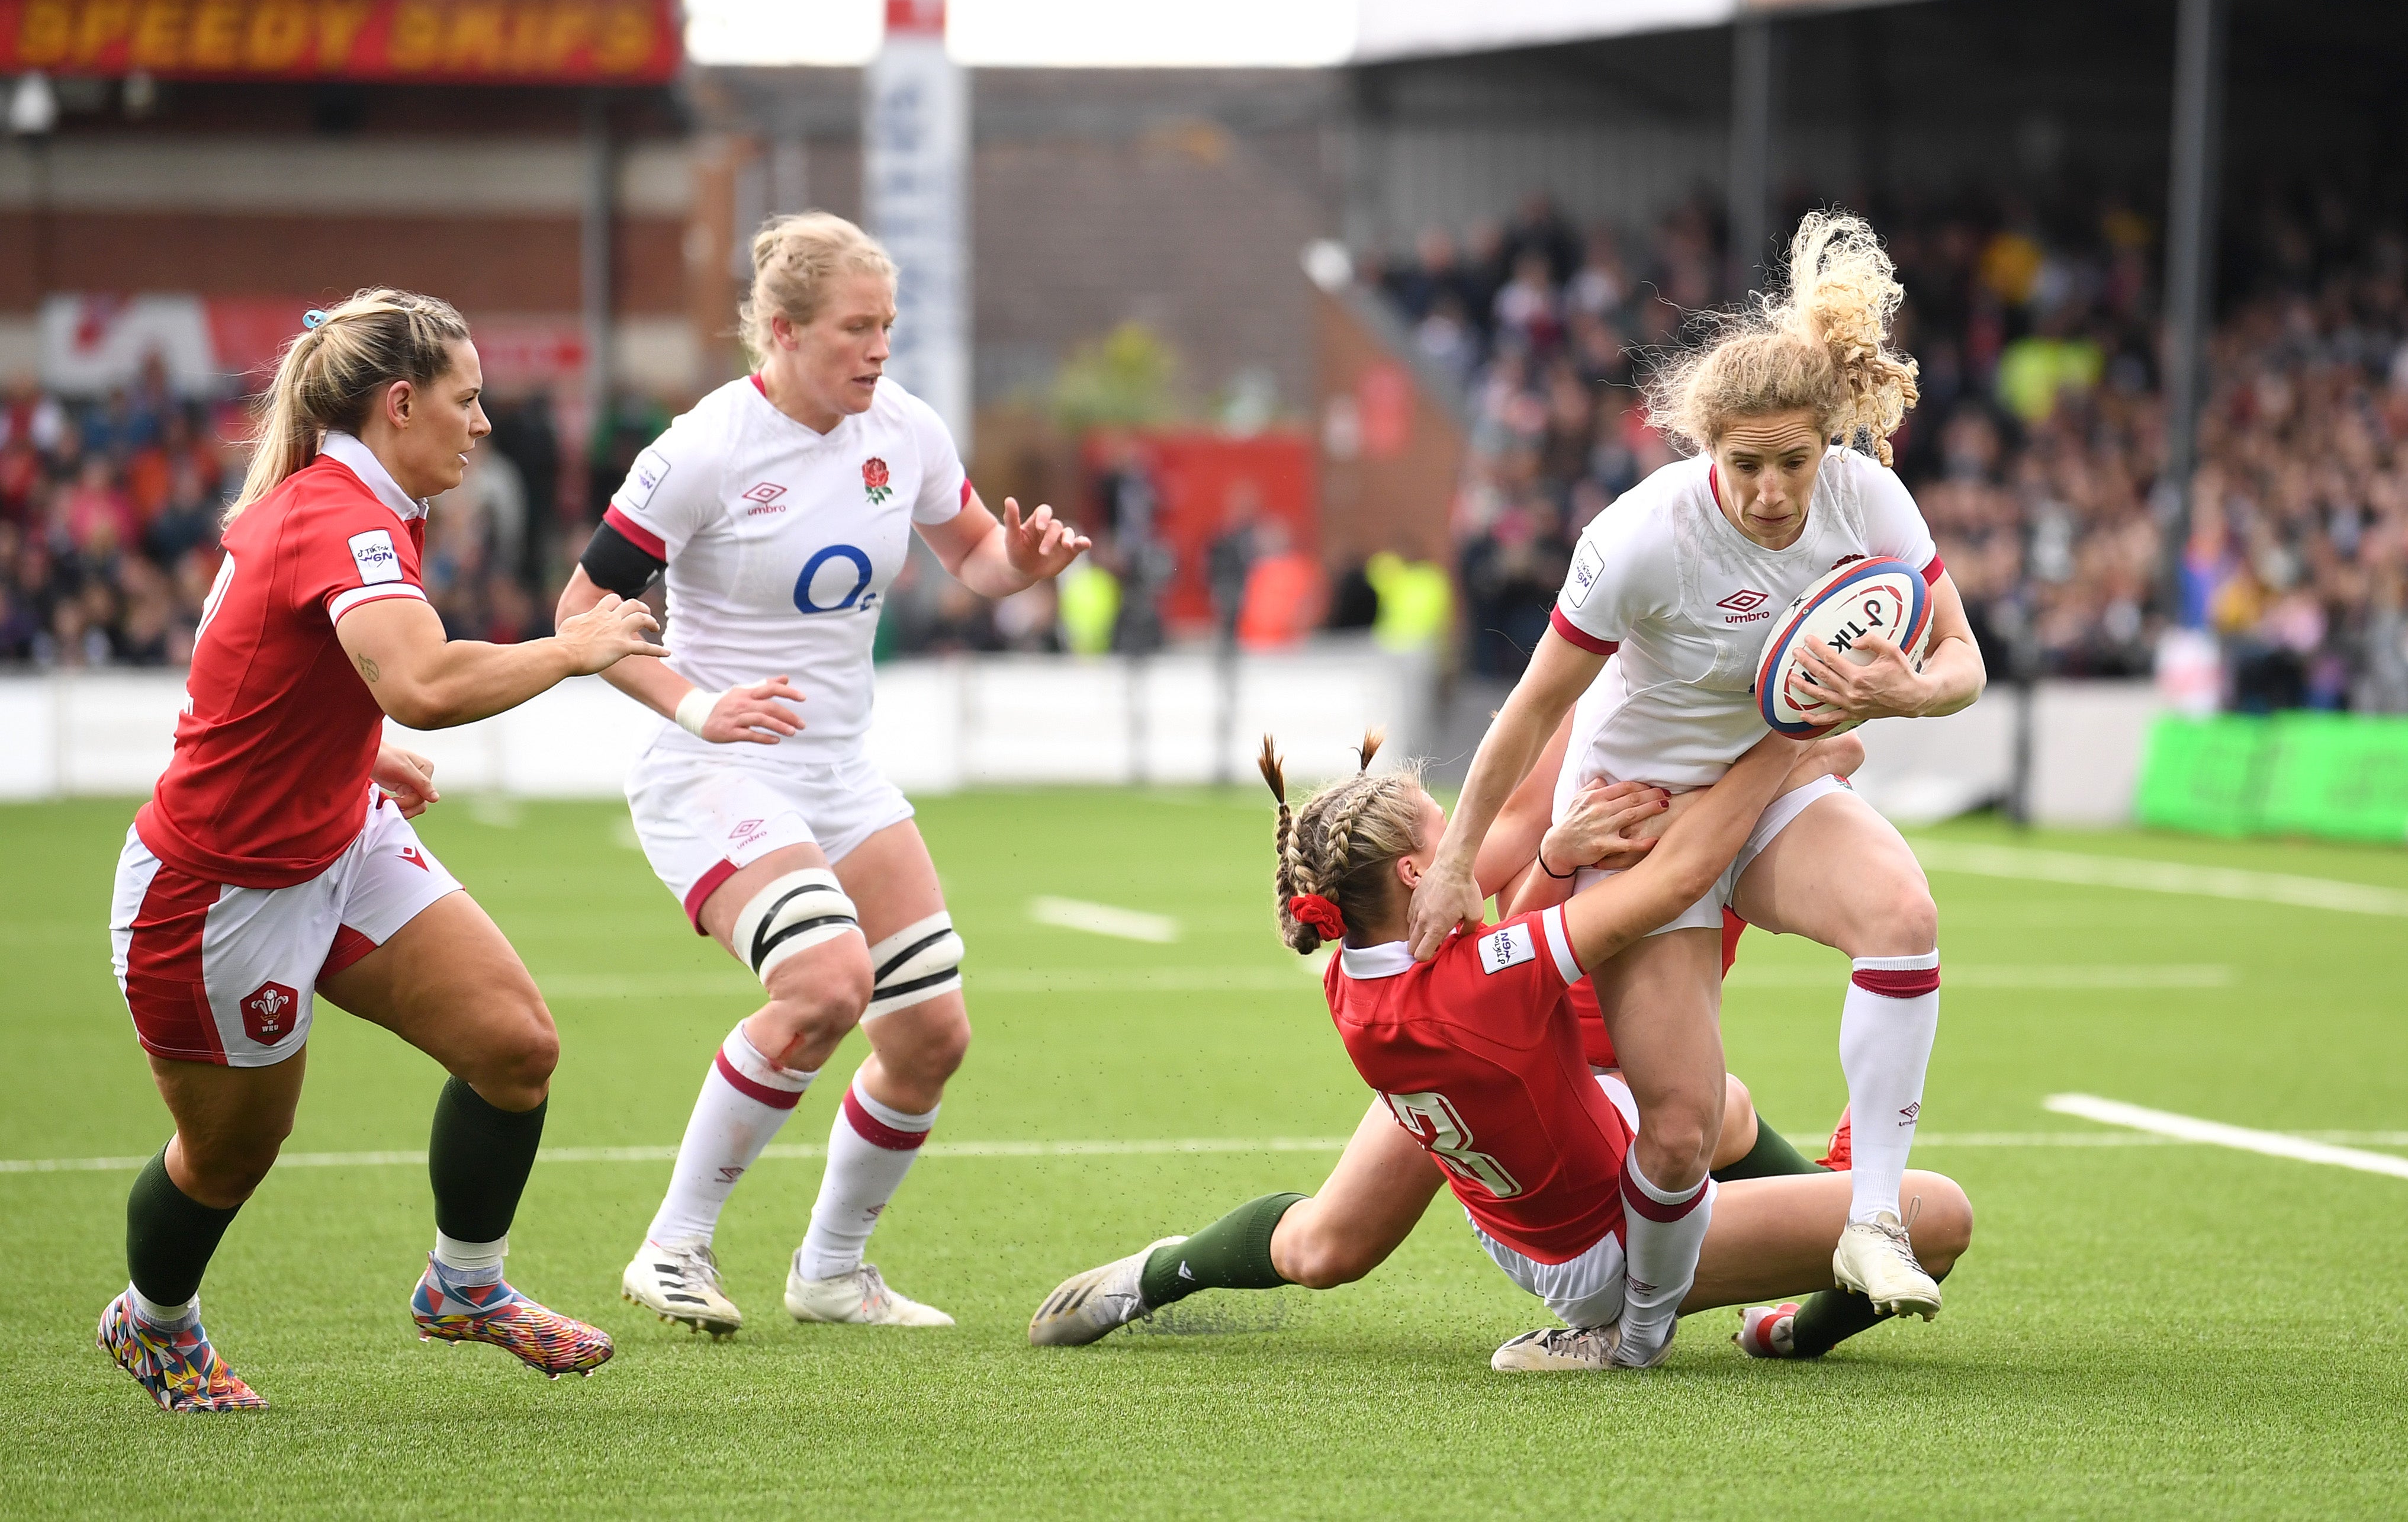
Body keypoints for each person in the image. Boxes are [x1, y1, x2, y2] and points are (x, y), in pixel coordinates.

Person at [1404, 211, 1986, 1363]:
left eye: (1795, 463)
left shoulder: (1871, 505)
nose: (1773, 492)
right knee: (1675, 1132)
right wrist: (1461, 864)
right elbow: (1526, 712)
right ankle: (1629, 1333)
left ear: (1830, 442)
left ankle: (1870, 1215)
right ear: (1703, 449)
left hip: (1768, 790)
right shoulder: (1640, 541)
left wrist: (1906, 694)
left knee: (1903, 915)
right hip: (1644, 815)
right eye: (1746, 466)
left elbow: (1961, 658)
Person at [99, 290, 667, 1412]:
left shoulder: (366, 500)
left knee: (513, 1047)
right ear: (401, 404)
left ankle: (466, 1287)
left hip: (334, 838)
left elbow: (266, 673)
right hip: (216, 894)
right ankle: (154, 1324)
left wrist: (354, 758)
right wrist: (575, 647)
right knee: (227, 1159)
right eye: (469, 399)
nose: (485, 423)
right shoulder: (343, 516)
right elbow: (421, 681)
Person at [558, 213, 1088, 1336]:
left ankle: (833, 1272)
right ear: (784, 333)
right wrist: (703, 705)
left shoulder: (905, 428)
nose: (878, 348)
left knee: (932, 1036)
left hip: (841, 771)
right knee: (824, 988)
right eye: (857, 327)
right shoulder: (704, 448)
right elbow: (580, 616)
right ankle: (673, 1248)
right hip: (713, 766)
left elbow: (976, 555)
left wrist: (1022, 566)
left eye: (888, 326)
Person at [1040, 732, 1972, 1369]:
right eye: (1448, 831)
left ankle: (1151, 1276)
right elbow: (1679, 876)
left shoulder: (1359, 971)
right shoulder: (1474, 977)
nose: (1467, 839)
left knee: (1327, 1243)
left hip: (1502, 1178)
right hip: (1594, 1247)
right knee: (1938, 1217)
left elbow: (1506, 961)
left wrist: (1560, 856)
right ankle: (1770, 1331)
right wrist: (1783, 753)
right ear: (1414, 874)